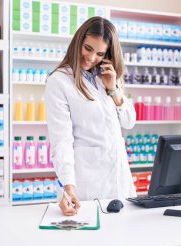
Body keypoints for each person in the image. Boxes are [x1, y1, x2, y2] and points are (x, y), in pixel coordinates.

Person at [45, 16, 136, 216]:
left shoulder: (106, 76)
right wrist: (68, 188)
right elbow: (61, 140)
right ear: (78, 41)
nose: (91, 57)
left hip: (121, 180)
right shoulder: (58, 81)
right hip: (88, 182)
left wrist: (113, 89)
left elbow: (129, 121)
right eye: (88, 48)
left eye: (100, 53)